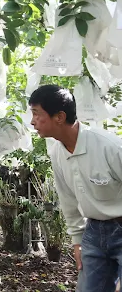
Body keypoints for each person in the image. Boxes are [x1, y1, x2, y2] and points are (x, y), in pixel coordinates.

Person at [29, 84, 122, 292]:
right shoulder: (57, 153)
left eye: (36, 114)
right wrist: (78, 241)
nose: (32, 122)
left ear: (59, 117)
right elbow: (68, 200)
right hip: (94, 233)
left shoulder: (110, 147)